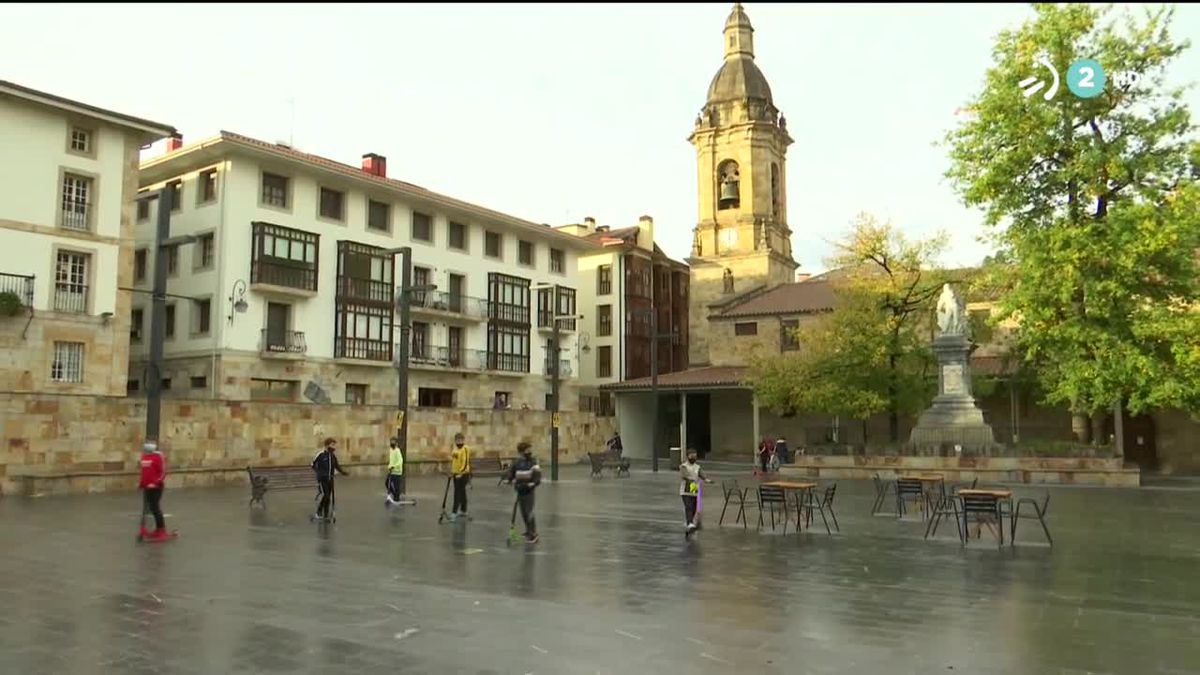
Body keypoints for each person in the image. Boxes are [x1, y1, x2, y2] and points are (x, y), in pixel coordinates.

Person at [505, 441, 543, 544]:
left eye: (530, 450)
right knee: (523, 512)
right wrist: (509, 479)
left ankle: (534, 534)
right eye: (527, 450)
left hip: (529, 491)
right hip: (519, 490)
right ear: (521, 452)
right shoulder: (517, 463)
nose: (529, 452)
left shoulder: (533, 462)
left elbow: (537, 476)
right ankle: (528, 531)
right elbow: (511, 472)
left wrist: (533, 484)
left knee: (529, 512)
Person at [138, 440, 170, 540]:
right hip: (147, 486)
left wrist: (156, 482)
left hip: (156, 487)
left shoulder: (158, 456)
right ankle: (156, 530)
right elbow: (144, 472)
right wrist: (142, 483)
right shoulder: (144, 457)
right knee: (150, 508)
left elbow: (163, 472)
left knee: (155, 508)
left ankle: (162, 530)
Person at [311, 437, 348, 521]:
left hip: (330, 479)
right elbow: (313, 464)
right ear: (327, 445)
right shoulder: (320, 454)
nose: (334, 447)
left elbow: (336, 466)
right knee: (326, 495)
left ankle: (326, 513)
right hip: (322, 479)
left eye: (334, 445)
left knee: (328, 497)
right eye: (332, 445)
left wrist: (343, 472)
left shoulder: (332, 456)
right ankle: (318, 512)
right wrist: (319, 473)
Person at [679, 447, 712, 538]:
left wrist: (706, 479)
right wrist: (691, 479)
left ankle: (690, 522)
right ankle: (689, 522)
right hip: (685, 489)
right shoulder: (683, 466)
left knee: (694, 506)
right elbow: (684, 475)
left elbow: (701, 474)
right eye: (691, 456)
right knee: (688, 506)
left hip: (694, 488)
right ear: (687, 457)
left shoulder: (697, 467)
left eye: (695, 456)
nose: (693, 457)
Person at [449, 433, 472, 521]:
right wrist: (453, 472)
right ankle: (463, 510)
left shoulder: (465, 449)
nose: (459, 442)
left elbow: (465, 462)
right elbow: (455, 461)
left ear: (463, 440)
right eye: (457, 440)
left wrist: (461, 473)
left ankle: (454, 512)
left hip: (463, 474)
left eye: (460, 440)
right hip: (456, 473)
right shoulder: (455, 449)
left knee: (457, 493)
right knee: (462, 492)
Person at [385, 437, 405, 505]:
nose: (392, 443)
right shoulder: (391, 450)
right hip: (392, 471)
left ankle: (397, 498)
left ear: (396, 443)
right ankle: (394, 494)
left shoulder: (397, 451)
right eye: (391, 442)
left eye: (393, 442)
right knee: (387, 483)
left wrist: (394, 466)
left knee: (397, 486)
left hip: (397, 472)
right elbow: (391, 460)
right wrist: (389, 466)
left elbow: (400, 461)